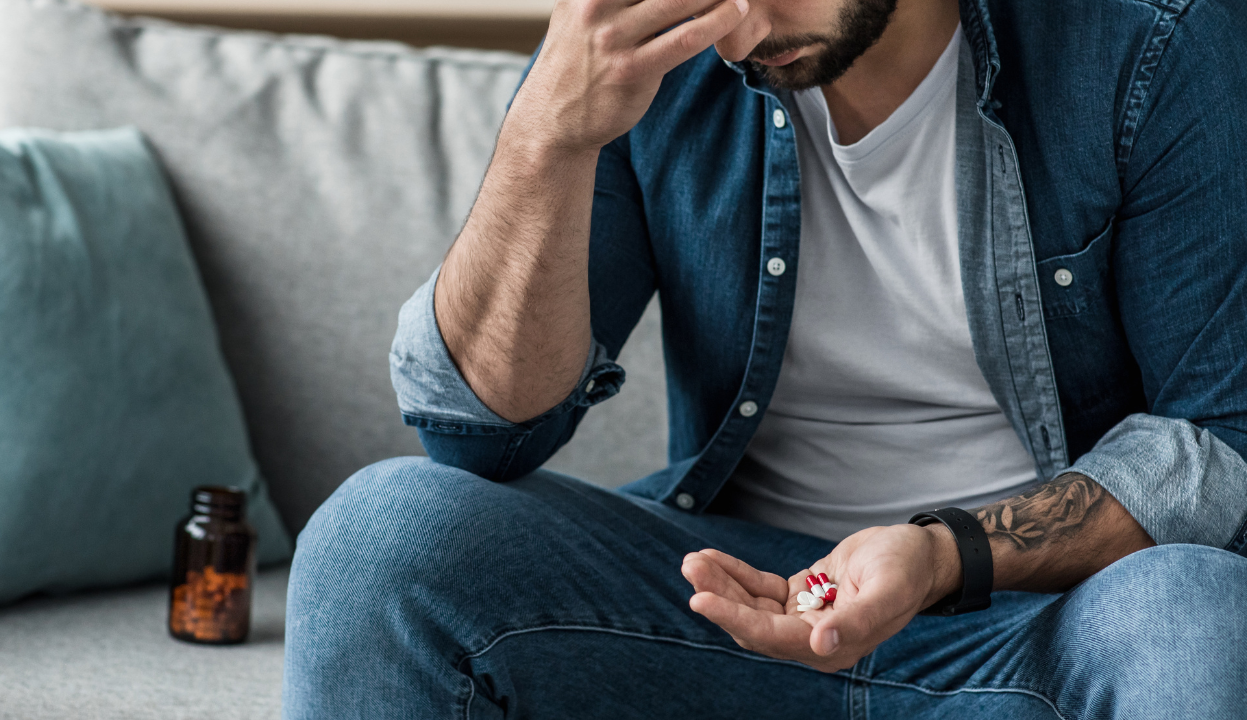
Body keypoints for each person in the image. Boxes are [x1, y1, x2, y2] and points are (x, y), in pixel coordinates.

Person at [283, 0, 1247, 715]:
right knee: (382, 535)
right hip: (725, 604)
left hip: (1040, 617)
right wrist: (548, 136)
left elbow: (1221, 441)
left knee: (1196, 609)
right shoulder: (661, 42)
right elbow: (480, 438)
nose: (739, 33)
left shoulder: (1153, 38)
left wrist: (939, 554)